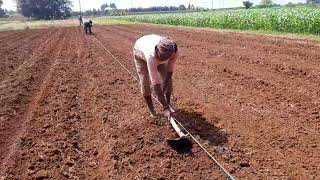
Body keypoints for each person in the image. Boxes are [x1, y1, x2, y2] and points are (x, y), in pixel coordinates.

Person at [133, 34, 178, 119]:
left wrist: (164, 86)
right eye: (160, 58)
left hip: (158, 54)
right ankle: (152, 111)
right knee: (145, 82)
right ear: (157, 51)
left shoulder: (173, 51)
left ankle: (168, 104)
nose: (161, 60)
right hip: (140, 53)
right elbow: (155, 82)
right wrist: (164, 108)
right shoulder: (151, 56)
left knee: (167, 79)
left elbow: (169, 72)